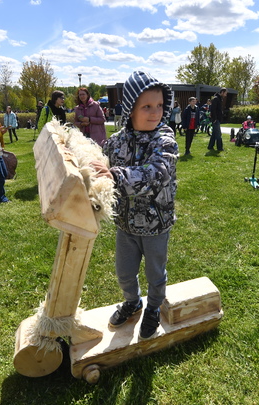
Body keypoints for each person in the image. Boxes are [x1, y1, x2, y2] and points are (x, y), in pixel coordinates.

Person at [97, 71, 178, 340]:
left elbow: (156, 174)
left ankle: (154, 307)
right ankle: (133, 302)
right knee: (124, 272)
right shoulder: (118, 140)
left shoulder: (165, 140)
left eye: (159, 106)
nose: (155, 112)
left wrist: (116, 176)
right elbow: (100, 160)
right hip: (125, 223)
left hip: (156, 225)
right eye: (147, 106)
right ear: (130, 109)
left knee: (156, 273)